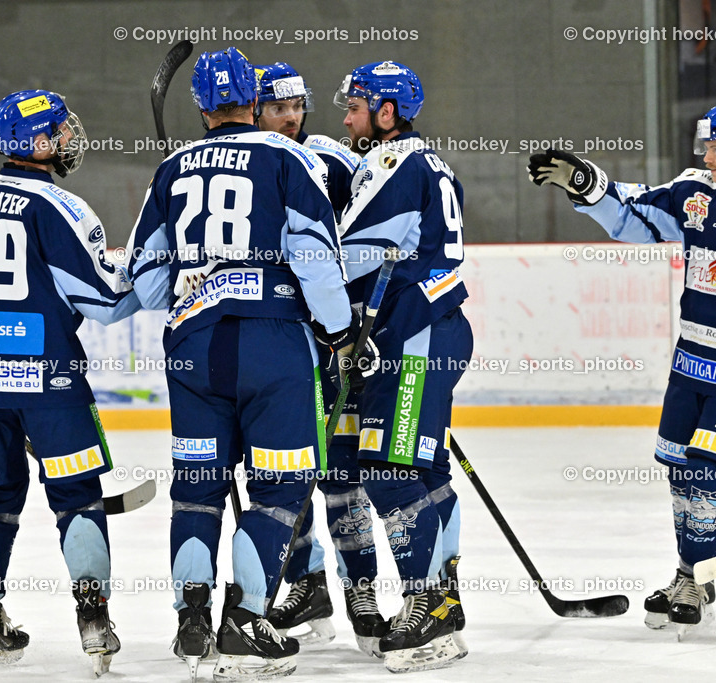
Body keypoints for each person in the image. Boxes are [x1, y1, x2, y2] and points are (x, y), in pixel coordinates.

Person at [527, 101, 716, 632]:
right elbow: (634, 216)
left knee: (710, 477)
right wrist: (584, 182)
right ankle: (690, 570)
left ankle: (693, 577)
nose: (707, 155)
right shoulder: (695, 192)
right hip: (691, 365)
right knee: (683, 476)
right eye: (707, 146)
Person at [124, 47, 369, 681]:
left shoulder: (171, 169)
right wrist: (342, 332)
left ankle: (191, 618)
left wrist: (194, 276)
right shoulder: (289, 156)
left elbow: (147, 283)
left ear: (202, 105)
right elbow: (316, 257)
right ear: (254, 103)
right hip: (273, 344)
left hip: (193, 348)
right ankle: (246, 618)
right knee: (281, 488)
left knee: (197, 493)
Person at [0, 89, 139, 675]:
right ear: (39, 143)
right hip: (52, 387)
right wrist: (151, 262)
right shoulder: (59, 207)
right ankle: (94, 623)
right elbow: (108, 301)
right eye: (62, 131)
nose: (70, 138)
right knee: (78, 499)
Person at [332, 60, 474, 673]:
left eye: (357, 107)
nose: (347, 118)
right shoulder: (430, 162)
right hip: (427, 330)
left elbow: (339, 250)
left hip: (414, 336)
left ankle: (426, 606)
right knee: (425, 467)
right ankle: (443, 597)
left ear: (386, 113)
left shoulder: (392, 163)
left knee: (388, 469)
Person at [253, 61, 385, 655]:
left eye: (297, 105)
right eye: (277, 108)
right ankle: (306, 583)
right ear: (251, 110)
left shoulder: (334, 160)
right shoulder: (247, 164)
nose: (290, 117)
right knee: (279, 473)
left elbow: (378, 229)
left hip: (336, 343)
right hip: (275, 343)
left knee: (339, 474)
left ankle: (361, 591)